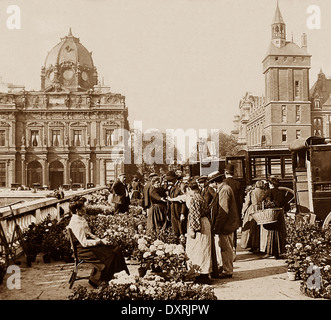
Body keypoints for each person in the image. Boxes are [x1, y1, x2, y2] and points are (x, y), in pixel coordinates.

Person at [67, 196, 129, 288]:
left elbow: (88, 234)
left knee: (116, 248)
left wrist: (99, 239)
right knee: (111, 253)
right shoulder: (76, 222)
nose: (85, 208)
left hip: (87, 246)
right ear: (77, 210)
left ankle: (120, 276)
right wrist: (100, 241)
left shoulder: (80, 218)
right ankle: (99, 279)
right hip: (82, 250)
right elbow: (84, 242)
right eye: (83, 207)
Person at [212, 172, 241, 278]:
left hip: (226, 225)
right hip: (229, 224)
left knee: (226, 248)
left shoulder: (224, 190)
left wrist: (217, 226)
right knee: (225, 247)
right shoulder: (225, 188)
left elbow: (223, 211)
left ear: (215, 182)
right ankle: (225, 267)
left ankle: (228, 270)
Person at [184, 180, 212, 284]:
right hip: (205, 223)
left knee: (198, 250)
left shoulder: (194, 199)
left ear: (189, 189)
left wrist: (193, 229)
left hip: (200, 225)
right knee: (204, 249)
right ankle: (204, 273)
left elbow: (195, 215)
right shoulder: (201, 196)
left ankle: (200, 274)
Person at [260, 176, 288, 259]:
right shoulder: (281, 192)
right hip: (280, 214)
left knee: (271, 233)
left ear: (271, 184)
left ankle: (270, 252)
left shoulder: (269, 192)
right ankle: (280, 251)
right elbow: (286, 205)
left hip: (271, 214)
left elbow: (265, 202)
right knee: (279, 232)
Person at [224, 163, 244, 259]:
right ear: (233, 173)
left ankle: (226, 252)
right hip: (235, 210)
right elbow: (241, 200)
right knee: (234, 231)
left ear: (225, 172)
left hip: (225, 210)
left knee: (225, 232)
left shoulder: (224, 183)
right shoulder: (238, 184)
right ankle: (234, 250)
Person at [240, 180, 266, 252]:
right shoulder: (264, 192)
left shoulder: (251, 192)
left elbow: (247, 203)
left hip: (252, 209)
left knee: (250, 228)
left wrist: (243, 211)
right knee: (259, 229)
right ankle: (259, 245)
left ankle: (251, 244)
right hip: (260, 209)